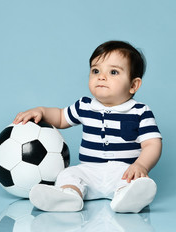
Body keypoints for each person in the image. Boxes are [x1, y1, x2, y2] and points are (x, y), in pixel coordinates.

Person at [13, 40, 162, 213]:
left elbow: (152, 144)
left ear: (133, 85)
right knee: (68, 174)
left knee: (135, 181)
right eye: (95, 71)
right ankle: (69, 196)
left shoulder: (140, 111)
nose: (101, 76)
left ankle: (127, 198)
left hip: (123, 171)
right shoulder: (84, 106)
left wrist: (141, 165)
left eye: (113, 72)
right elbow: (61, 117)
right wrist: (41, 111)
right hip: (89, 171)